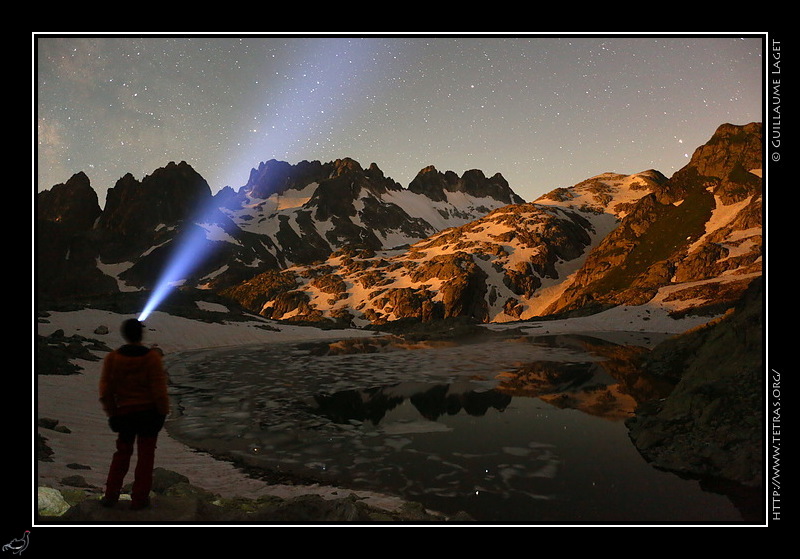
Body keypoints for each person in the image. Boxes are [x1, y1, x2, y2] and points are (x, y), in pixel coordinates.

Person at [98, 318, 169, 509]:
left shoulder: (113, 358)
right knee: (146, 458)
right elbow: (159, 390)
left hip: (125, 414)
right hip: (148, 414)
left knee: (122, 454)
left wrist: (113, 414)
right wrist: (162, 413)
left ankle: (110, 495)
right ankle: (139, 500)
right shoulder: (151, 358)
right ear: (141, 334)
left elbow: (106, 391)